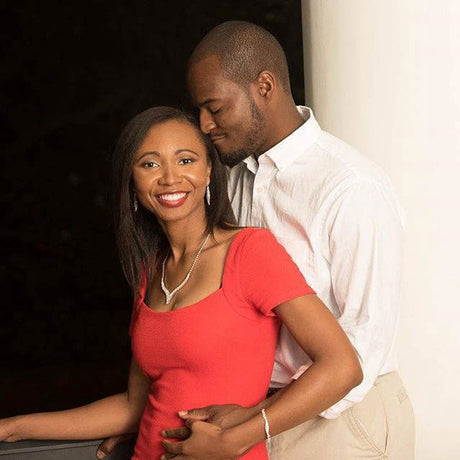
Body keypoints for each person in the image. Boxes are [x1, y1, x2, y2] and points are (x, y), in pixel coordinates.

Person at [0, 106, 363, 460]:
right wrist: (14, 428)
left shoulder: (249, 252)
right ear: (133, 181)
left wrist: (243, 436)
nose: (170, 177)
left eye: (186, 160)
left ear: (208, 171)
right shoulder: (150, 272)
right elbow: (135, 404)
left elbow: (342, 366)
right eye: (150, 164)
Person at [152, 21, 414, 460]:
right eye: (199, 109)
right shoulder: (232, 181)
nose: (204, 124)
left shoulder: (350, 188)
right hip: (256, 414)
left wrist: (255, 423)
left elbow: (363, 350)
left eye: (215, 107)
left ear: (265, 86)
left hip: (343, 424)